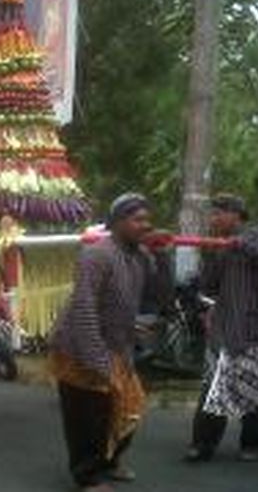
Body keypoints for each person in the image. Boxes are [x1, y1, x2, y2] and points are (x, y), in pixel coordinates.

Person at [49, 193, 172, 492]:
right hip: (79, 347)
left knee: (129, 406)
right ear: (117, 223)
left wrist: (161, 255)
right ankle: (88, 476)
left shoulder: (139, 256)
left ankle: (109, 461)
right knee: (87, 416)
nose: (146, 225)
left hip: (117, 346)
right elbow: (84, 307)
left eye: (147, 219)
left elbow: (159, 296)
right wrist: (97, 360)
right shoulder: (97, 255)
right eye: (137, 219)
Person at [185, 194, 258, 463]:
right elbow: (209, 285)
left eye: (219, 214)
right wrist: (213, 254)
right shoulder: (219, 243)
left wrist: (242, 244)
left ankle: (254, 445)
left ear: (236, 213)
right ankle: (202, 444)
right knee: (214, 385)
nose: (213, 219)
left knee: (255, 385)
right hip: (225, 326)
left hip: (257, 326)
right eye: (213, 214)